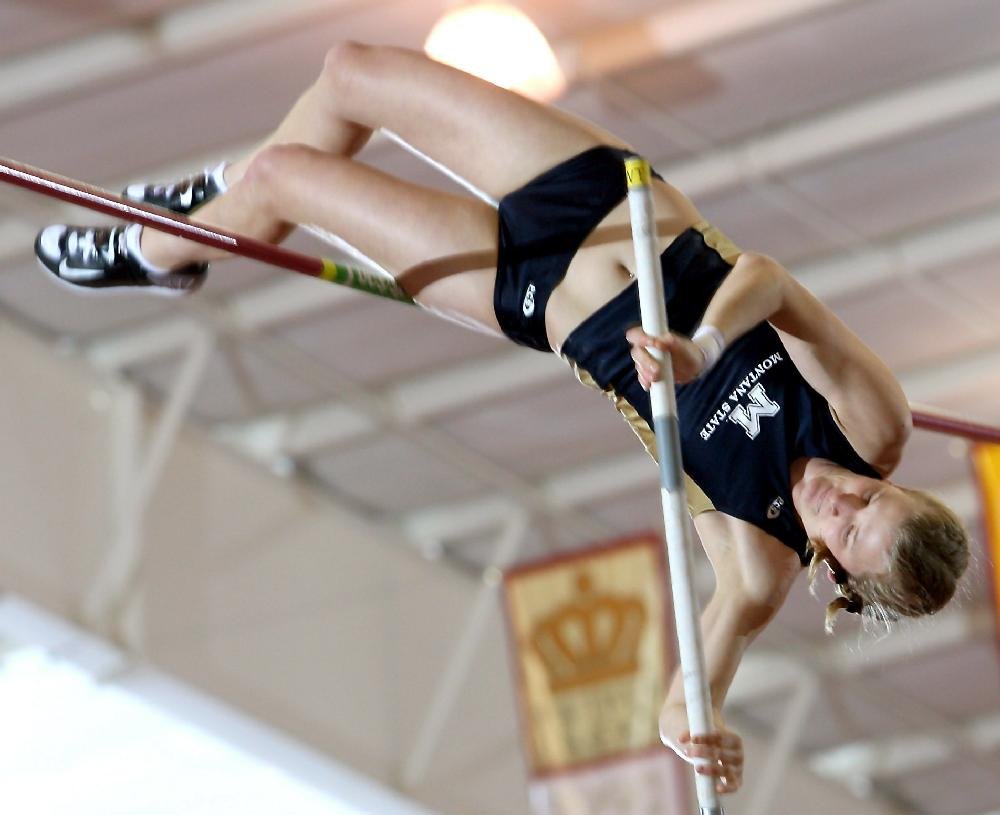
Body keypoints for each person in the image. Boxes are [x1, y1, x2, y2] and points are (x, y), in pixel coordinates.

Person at [33, 41, 969, 795]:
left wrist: (698, 735)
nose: (842, 495)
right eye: (873, 494)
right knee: (354, 73)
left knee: (286, 180)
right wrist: (709, 345)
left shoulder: (757, 562)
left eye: (849, 525)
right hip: (608, 199)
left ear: (839, 569)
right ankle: (211, 202)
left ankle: (156, 252)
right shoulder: (871, 420)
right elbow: (770, 277)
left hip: (533, 298)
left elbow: (687, 693)